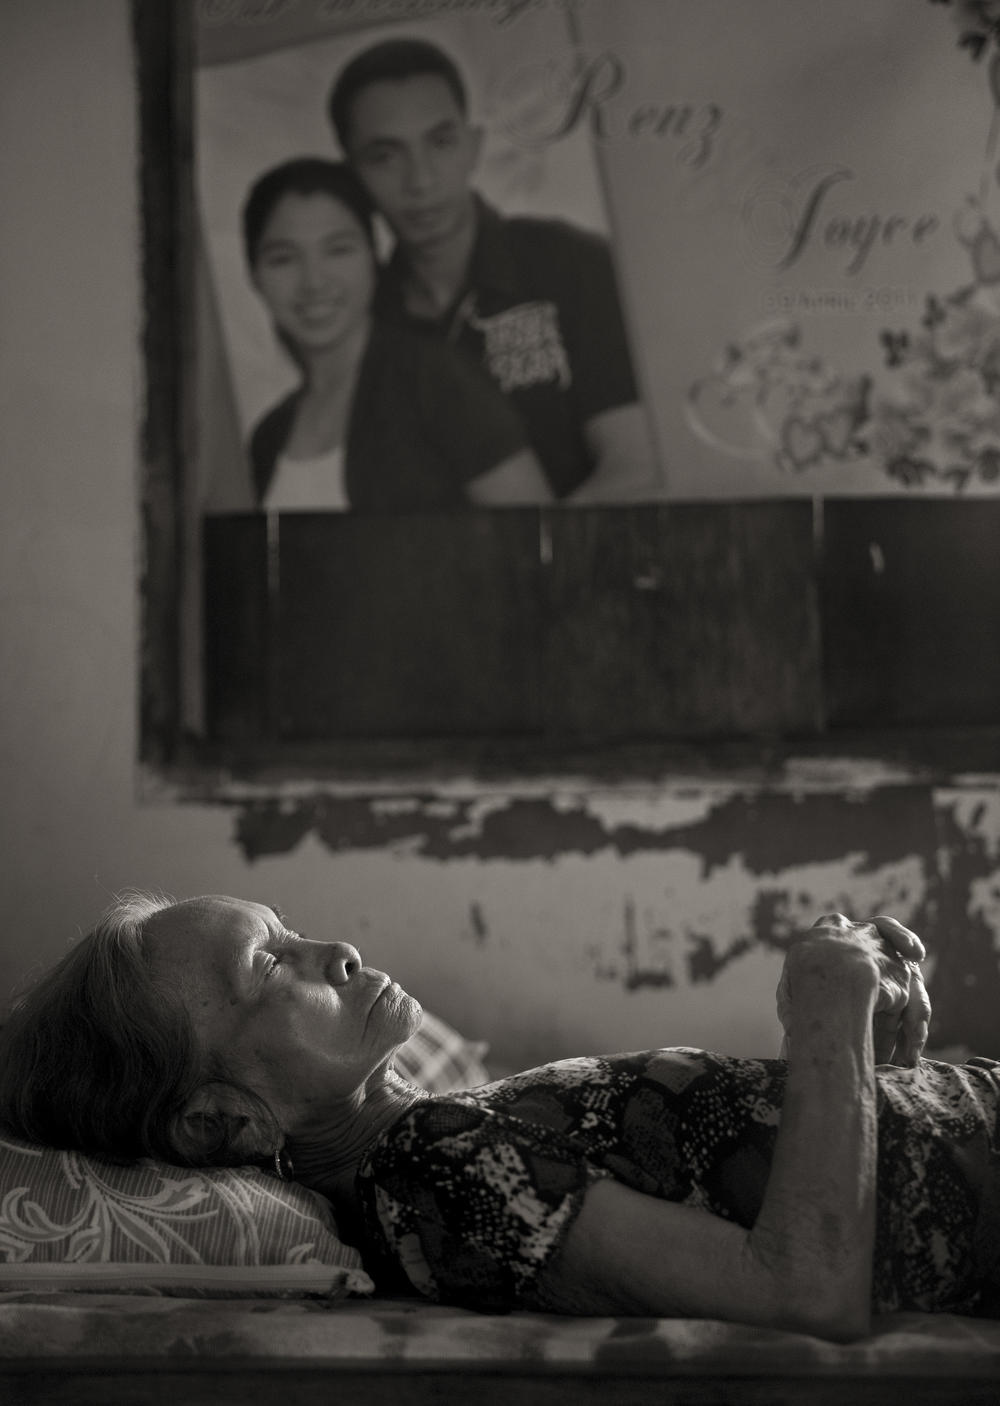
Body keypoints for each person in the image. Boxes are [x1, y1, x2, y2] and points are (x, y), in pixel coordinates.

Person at [0, 894, 996, 1341]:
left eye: (291, 928)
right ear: (220, 1124)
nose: (335, 947)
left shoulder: (455, 1124)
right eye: (271, 966)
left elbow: (768, 1178)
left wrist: (861, 1063)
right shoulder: (429, 1177)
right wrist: (821, 1013)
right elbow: (803, 1289)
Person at [327, 39, 659, 504]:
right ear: (351, 177)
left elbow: (640, 466)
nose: (421, 181)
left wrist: (530, 567)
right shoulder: (361, 320)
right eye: (386, 156)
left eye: (440, 143)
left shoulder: (573, 264)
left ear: (473, 147)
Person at [242, 157, 552, 511]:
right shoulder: (268, 436)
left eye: (338, 250)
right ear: (254, 275)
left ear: (372, 258)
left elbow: (540, 543)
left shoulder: (437, 381)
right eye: (283, 258)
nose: (313, 282)